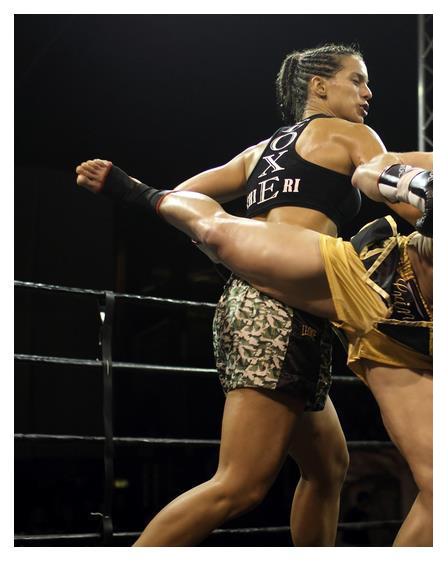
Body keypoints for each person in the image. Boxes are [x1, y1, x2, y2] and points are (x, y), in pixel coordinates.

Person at [77, 44, 433, 546]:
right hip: (368, 284)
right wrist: (418, 187)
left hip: (421, 350)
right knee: (223, 235)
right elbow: (369, 171)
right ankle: (139, 192)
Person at [104, 44, 390, 546]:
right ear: (319, 86)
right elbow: (388, 180)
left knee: (327, 467)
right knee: (239, 484)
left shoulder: (260, 152)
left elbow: (181, 199)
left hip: (251, 305)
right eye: (357, 80)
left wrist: (231, 252)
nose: (368, 93)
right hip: (283, 313)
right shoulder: (351, 134)